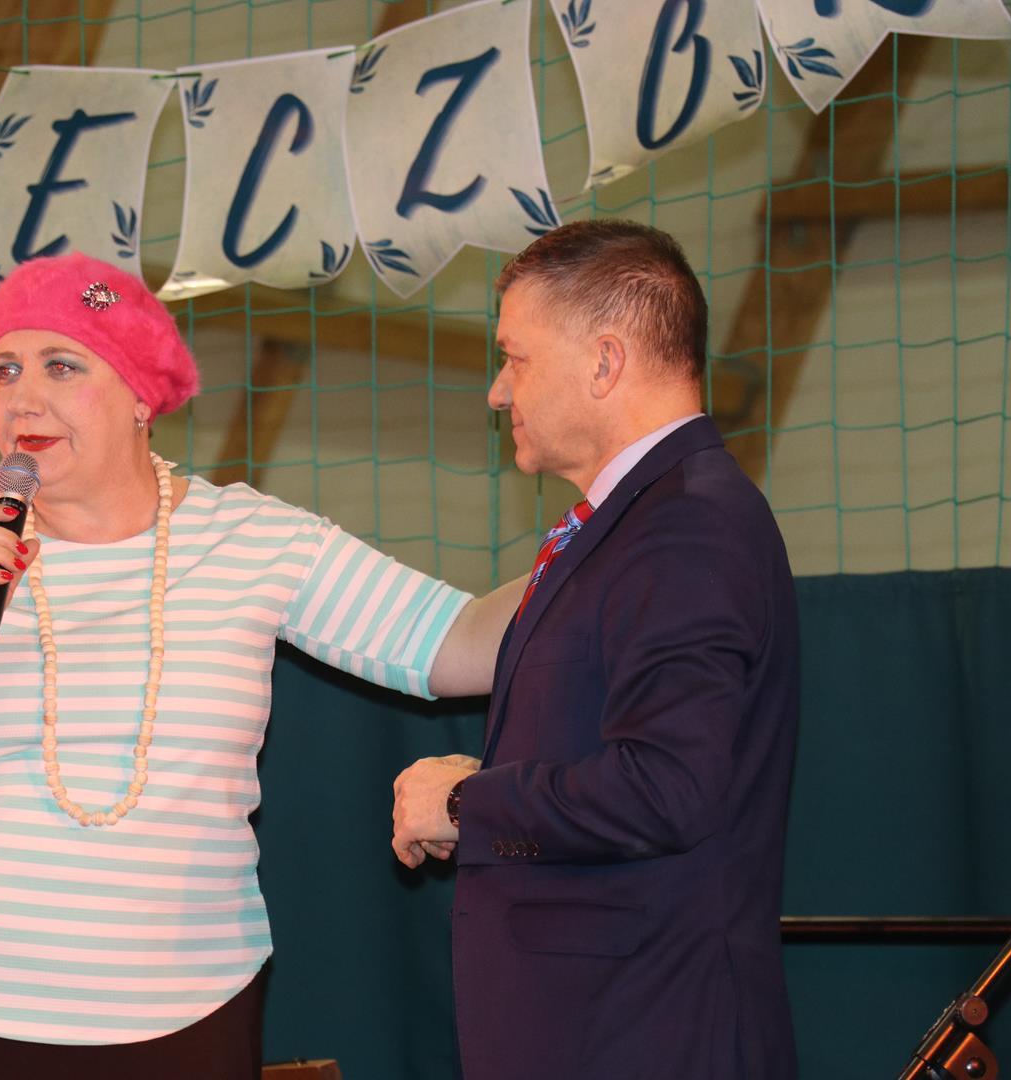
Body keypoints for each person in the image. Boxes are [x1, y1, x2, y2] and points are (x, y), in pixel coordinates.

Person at [0, 251, 523, 1077]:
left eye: (61, 366)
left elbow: (462, 642)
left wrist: (609, 540)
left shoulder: (255, 541)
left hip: (180, 1012)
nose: (23, 398)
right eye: (5, 370)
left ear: (142, 394)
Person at [391, 220, 801, 1079]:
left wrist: (467, 804)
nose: (498, 391)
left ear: (605, 363)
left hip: (644, 1037)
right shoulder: (637, 523)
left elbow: (668, 786)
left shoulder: (687, 525)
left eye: (516, 358)